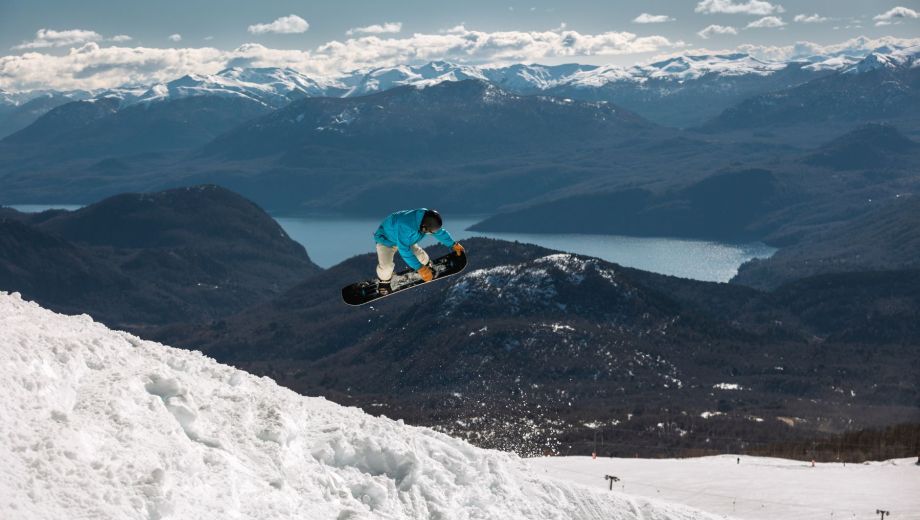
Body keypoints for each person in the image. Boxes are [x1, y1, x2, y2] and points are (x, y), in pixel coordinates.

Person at [373, 208, 464, 294]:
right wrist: (420, 268)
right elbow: (404, 251)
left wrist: (453, 244)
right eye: (430, 231)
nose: (432, 233)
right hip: (386, 240)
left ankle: (427, 265)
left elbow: (439, 232)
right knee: (386, 268)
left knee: (421, 257)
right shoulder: (407, 226)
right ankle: (384, 283)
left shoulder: (426, 219)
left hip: (406, 238)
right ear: (424, 228)